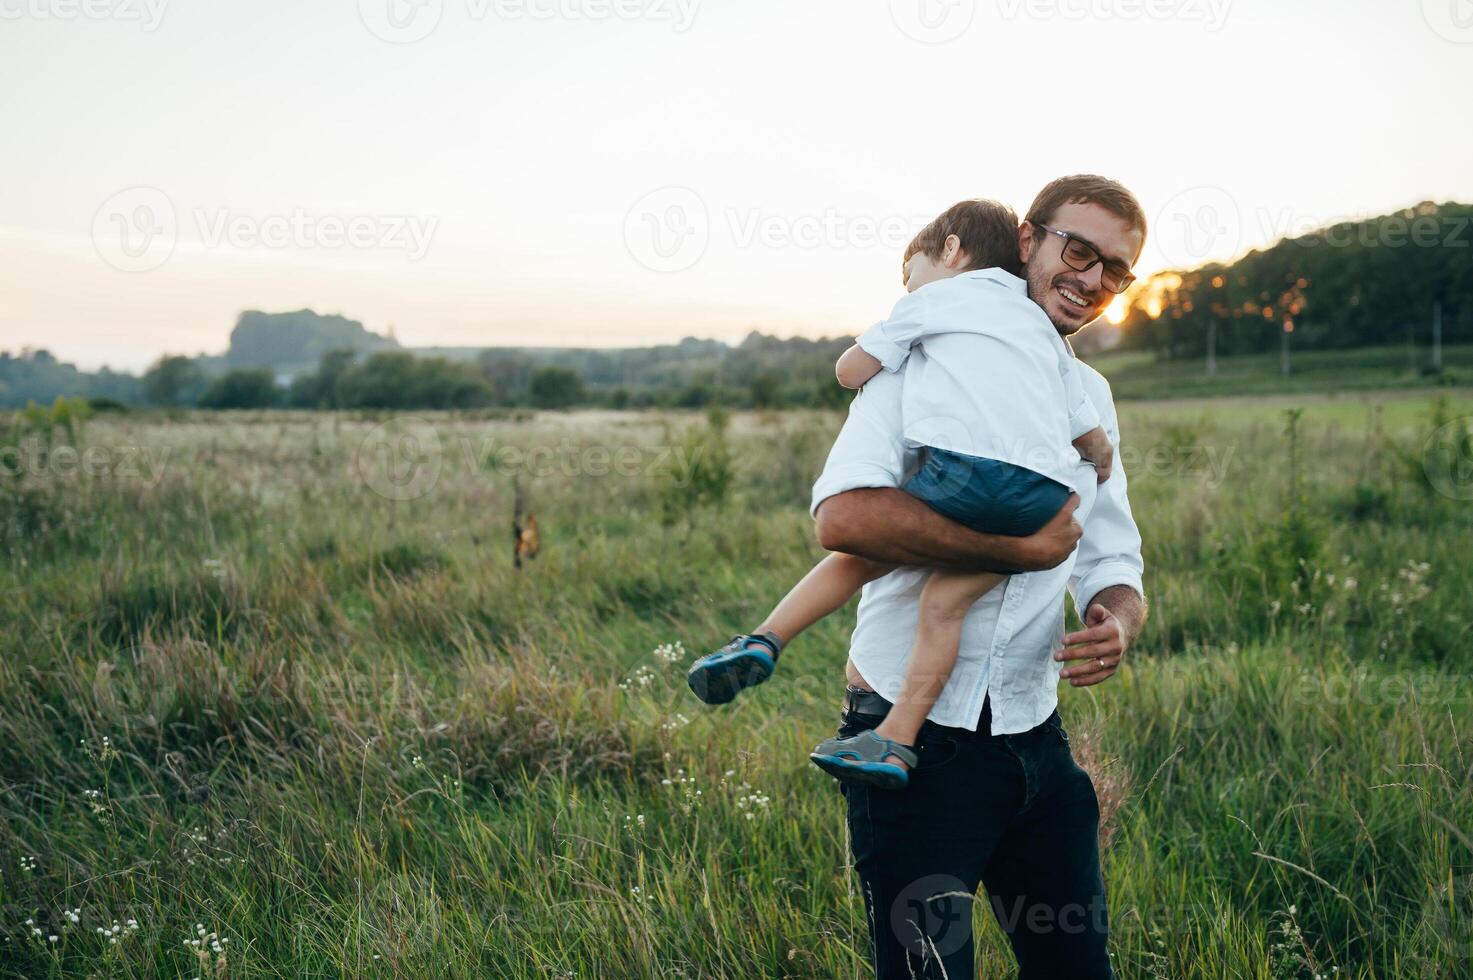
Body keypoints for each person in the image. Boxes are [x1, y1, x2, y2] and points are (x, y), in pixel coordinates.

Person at [813, 175, 1149, 979]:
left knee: (1076, 968)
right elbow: (844, 520)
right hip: (912, 742)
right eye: (1078, 251)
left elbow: (1111, 553)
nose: (1093, 281)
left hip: (1037, 740)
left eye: (1116, 270)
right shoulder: (918, 360)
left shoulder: (1089, 394)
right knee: (927, 971)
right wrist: (1017, 551)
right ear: (1027, 240)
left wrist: (1117, 620)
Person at [685, 198, 1114, 793]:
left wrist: (872, 355)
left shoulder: (938, 303)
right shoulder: (1044, 336)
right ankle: (896, 737)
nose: (908, 288)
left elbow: (849, 369)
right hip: (1039, 501)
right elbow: (1090, 434)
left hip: (961, 479)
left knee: (860, 554)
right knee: (944, 607)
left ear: (951, 250)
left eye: (909, 274)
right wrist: (1093, 469)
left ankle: (765, 639)